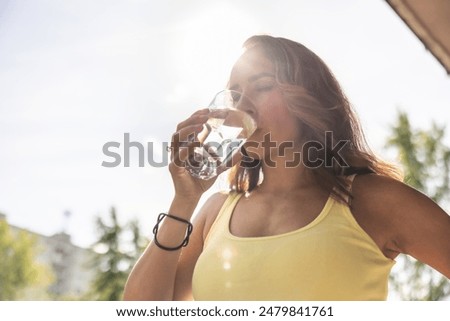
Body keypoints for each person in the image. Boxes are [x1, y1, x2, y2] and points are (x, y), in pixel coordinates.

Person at [123, 35, 450, 301]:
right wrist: (184, 200)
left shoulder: (374, 200)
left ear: (312, 99)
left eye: (262, 86)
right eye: (234, 95)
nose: (242, 105)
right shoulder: (216, 210)